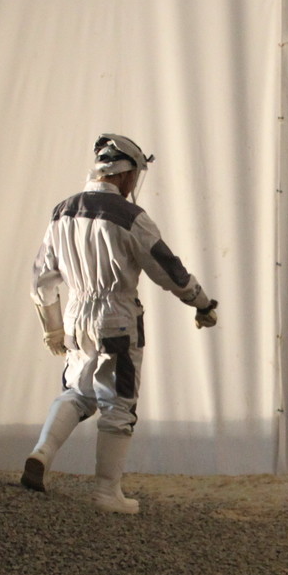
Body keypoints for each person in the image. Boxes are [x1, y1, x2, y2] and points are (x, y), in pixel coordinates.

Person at [22, 133, 218, 514]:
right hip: (117, 318)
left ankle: (41, 454)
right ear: (126, 174)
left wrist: (52, 327)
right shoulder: (131, 218)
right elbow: (168, 268)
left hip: (76, 317)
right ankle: (106, 492)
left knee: (76, 392)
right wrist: (201, 302)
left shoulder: (62, 212)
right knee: (118, 404)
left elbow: (41, 278)